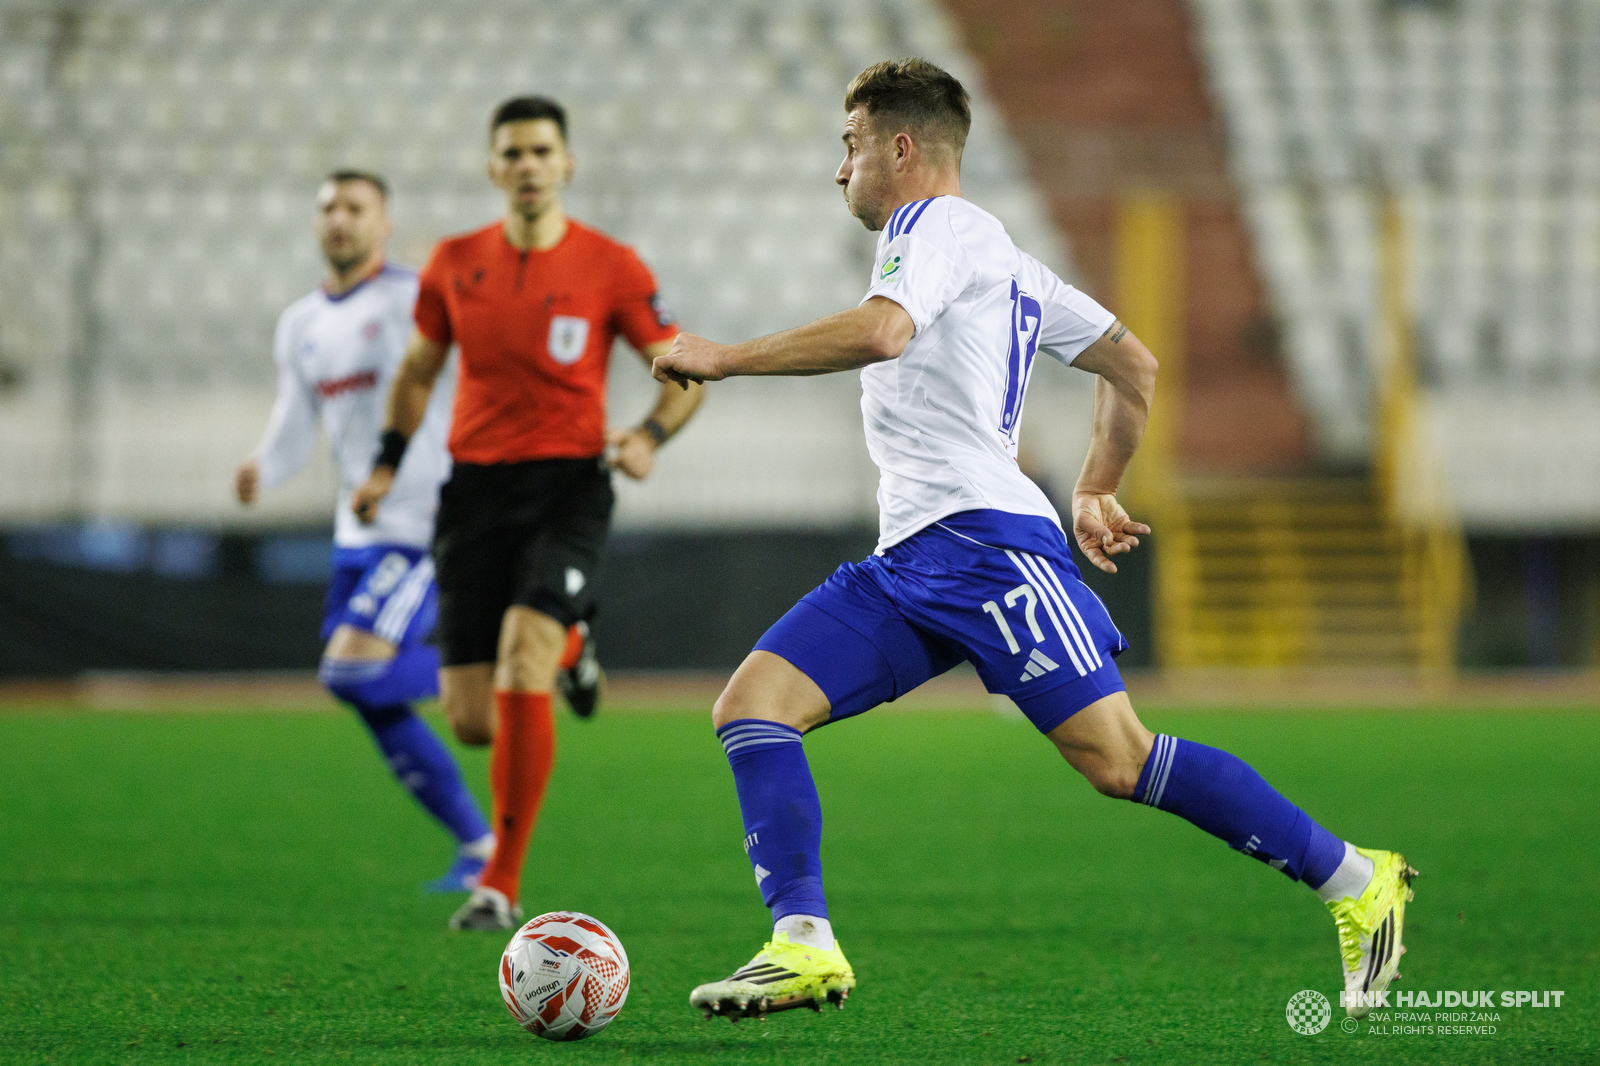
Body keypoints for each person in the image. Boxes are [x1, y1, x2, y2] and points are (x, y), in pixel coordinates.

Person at [653, 59, 1416, 1022]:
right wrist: (1095, 484)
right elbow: (1132, 365)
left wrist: (723, 357)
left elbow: (885, 333)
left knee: (1120, 760)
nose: (837, 169)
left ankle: (1356, 878)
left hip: (985, 549)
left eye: (847, 145)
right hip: (912, 558)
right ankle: (801, 944)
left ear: (900, 147)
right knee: (754, 708)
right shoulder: (1001, 259)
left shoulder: (934, 228)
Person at [350, 96, 704, 931]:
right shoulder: (453, 262)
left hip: (569, 487)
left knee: (520, 660)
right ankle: (575, 644)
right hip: (472, 494)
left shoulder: (610, 265)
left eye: (543, 150)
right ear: (493, 169)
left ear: (567, 165)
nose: (529, 165)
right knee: (475, 722)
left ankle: (500, 883)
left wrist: (650, 434)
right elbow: (416, 372)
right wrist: (385, 464)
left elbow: (683, 365)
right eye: (513, 153)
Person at [236, 170, 494, 893]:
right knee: (369, 694)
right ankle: (478, 847)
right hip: (358, 530)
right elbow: (296, 421)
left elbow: (479, 371)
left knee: (350, 669)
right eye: (328, 208)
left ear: (384, 224)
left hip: (426, 522)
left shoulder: (416, 299)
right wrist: (264, 465)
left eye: (355, 208)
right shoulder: (301, 324)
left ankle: (508, 674)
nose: (339, 220)